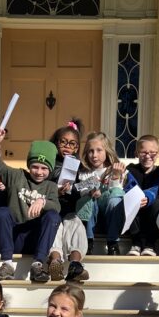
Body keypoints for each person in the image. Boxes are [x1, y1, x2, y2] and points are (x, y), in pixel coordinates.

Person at [0, 129, 61, 284]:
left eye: (44, 168)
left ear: (50, 169)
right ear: (29, 165)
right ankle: (7, 264)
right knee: (2, 212)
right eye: (35, 166)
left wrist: (42, 202)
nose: (39, 172)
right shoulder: (17, 176)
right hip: (14, 238)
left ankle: (37, 265)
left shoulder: (51, 186)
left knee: (53, 215)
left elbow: (56, 206)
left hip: (36, 240)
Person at [46, 118, 89, 283]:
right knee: (55, 228)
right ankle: (55, 260)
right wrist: (55, 190)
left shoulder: (79, 166)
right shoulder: (49, 164)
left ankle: (75, 264)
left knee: (76, 226)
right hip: (52, 210)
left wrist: (87, 188)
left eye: (72, 144)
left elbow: (78, 191)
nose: (67, 147)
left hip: (69, 211)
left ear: (77, 147)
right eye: (63, 142)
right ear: (56, 143)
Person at [75, 132, 127, 256]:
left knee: (116, 197)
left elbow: (118, 193)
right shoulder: (84, 172)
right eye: (90, 151)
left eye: (99, 150)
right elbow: (81, 191)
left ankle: (113, 242)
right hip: (93, 211)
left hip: (110, 210)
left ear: (107, 151)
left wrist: (115, 177)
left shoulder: (117, 169)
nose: (94, 155)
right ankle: (88, 241)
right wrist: (90, 191)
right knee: (86, 200)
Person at [123, 135, 159, 256]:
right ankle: (136, 243)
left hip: (152, 210)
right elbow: (129, 186)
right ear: (137, 153)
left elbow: (157, 188)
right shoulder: (131, 170)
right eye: (143, 152)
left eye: (152, 152)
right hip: (136, 211)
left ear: (158, 154)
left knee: (158, 201)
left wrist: (147, 197)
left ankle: (149, 244)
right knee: (128, 198)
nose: (148, 156)